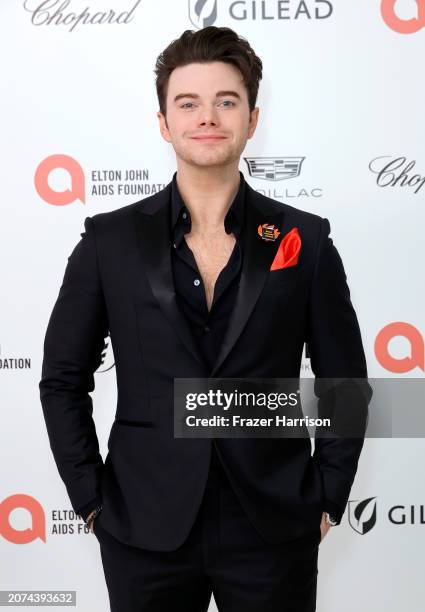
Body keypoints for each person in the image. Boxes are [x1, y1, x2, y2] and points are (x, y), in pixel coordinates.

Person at [39, 26, 371, 612]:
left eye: (226, 101)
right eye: (187, 103)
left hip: (273, 526)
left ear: (252, 117)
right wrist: (91, 501)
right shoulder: (107, 242)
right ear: (164, 123)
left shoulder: (306, 241)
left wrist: (327, 496)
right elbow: (63, 379)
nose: (207, 117)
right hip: (143, 526)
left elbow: (345, 383)